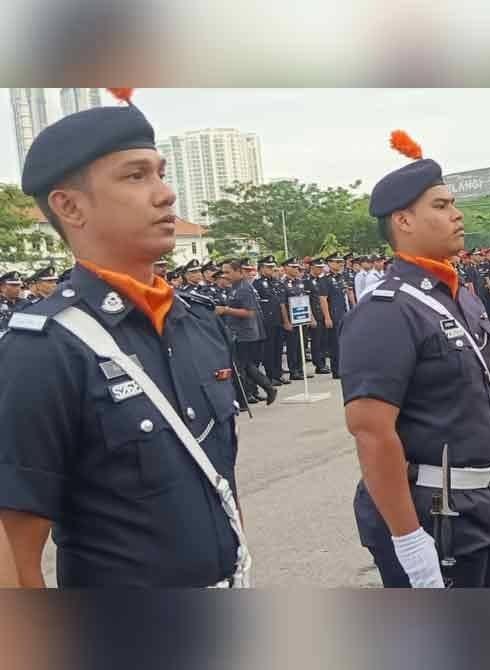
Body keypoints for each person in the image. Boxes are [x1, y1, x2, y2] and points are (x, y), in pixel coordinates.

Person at [0, 89, 247, 587]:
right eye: (135, 176)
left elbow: (219, 483)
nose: (165, 193)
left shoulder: (194, 322)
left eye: (161, 172)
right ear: (70, 206)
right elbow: (14, 553)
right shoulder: (44, 349)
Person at [341, 130, 490, 588]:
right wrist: (408, 537)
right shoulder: (388, 310)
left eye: (453, 203)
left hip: (482, 504)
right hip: (434, 513)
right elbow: (371, 432)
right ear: (403, 221)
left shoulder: (461, 298)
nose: (457, 215)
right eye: (440, 206)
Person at [221, 258, 277, 407]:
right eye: (223, 272)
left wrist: (225, 310)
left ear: (239, 272)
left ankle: (244, 399)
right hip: (236, 332)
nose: (224, 275)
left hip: (245, 334)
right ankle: (268, 388)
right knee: (245, 366)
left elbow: (250, 312)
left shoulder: (244, 288)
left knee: (240, 367)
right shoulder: (234, 287)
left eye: (228, 272)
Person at [253, 255, 287, 386]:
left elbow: (280, 302)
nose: (271, 269)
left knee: (278, 349)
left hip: (278, 320)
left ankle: (278, 374)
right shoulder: (257, 284)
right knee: (269, 350)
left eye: (273, 267)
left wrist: (285, 320)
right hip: (267, 322)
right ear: (260, 269)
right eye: (268, 267)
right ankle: (271, 376)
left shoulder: (276, 282)